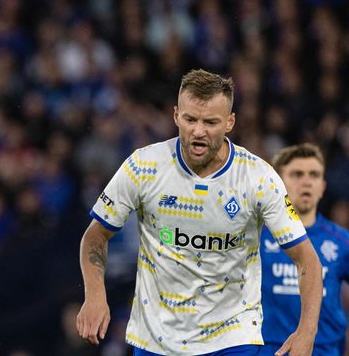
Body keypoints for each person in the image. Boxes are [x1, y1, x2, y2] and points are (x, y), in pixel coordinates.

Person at [76, 69, 323, 356]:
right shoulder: (143, 167)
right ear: (175, 115)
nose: (198, 131)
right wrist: (94, 295)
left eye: (211, 122)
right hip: (156, 340)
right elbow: (95, 236)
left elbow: (308, 261)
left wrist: (306, 332)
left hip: (232, 338)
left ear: (230, 122)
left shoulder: (258, 178)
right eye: (190, 119)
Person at [261, 143, 349, 356]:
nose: (307, 181)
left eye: (314, 175)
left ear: (323, 186)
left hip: (325, 350)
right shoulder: (256, 237)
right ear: (279, 183)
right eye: (297, 174)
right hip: (268, 350)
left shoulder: (341, 240)